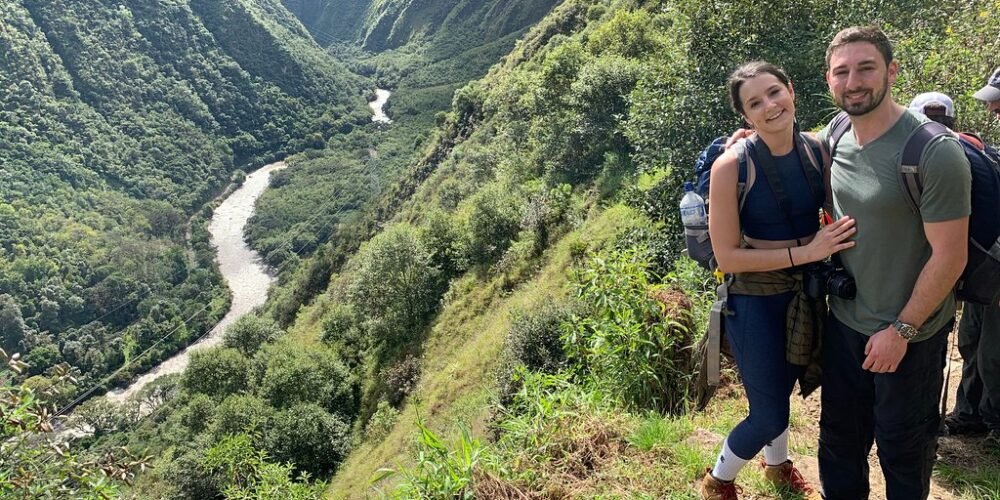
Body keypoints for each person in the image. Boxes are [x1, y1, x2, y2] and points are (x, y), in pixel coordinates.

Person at [817, 26, 971, 500]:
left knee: (903, 453)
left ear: (891, 71)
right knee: (839, 446)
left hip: (912, 336)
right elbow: (797, 143)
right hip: (845, 325)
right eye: (842, 72)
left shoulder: (933, 152)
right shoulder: (836, 133)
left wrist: (901, 331)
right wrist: (754, 134)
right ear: (829, 81)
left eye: (866, 68)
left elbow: (951, 255)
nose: (854, 81)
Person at [698, 61, 857, 500]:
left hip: (802, 295)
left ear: (792, 91)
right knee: (767, 415)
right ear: (745, 117)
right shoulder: (731, 166)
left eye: (774, 93)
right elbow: (727, 255)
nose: (769, 106)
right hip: (754, 301)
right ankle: (718, 481)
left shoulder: (816, 150)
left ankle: (777, 467)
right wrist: (807, 252)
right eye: (755, 103)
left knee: (780, 396)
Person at [939, 70, 1000, 450]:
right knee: (972, 339)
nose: (992, 108)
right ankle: (971, 414)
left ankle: (995, 422)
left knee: (995, 350)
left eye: (998, 101)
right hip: (989, 261)